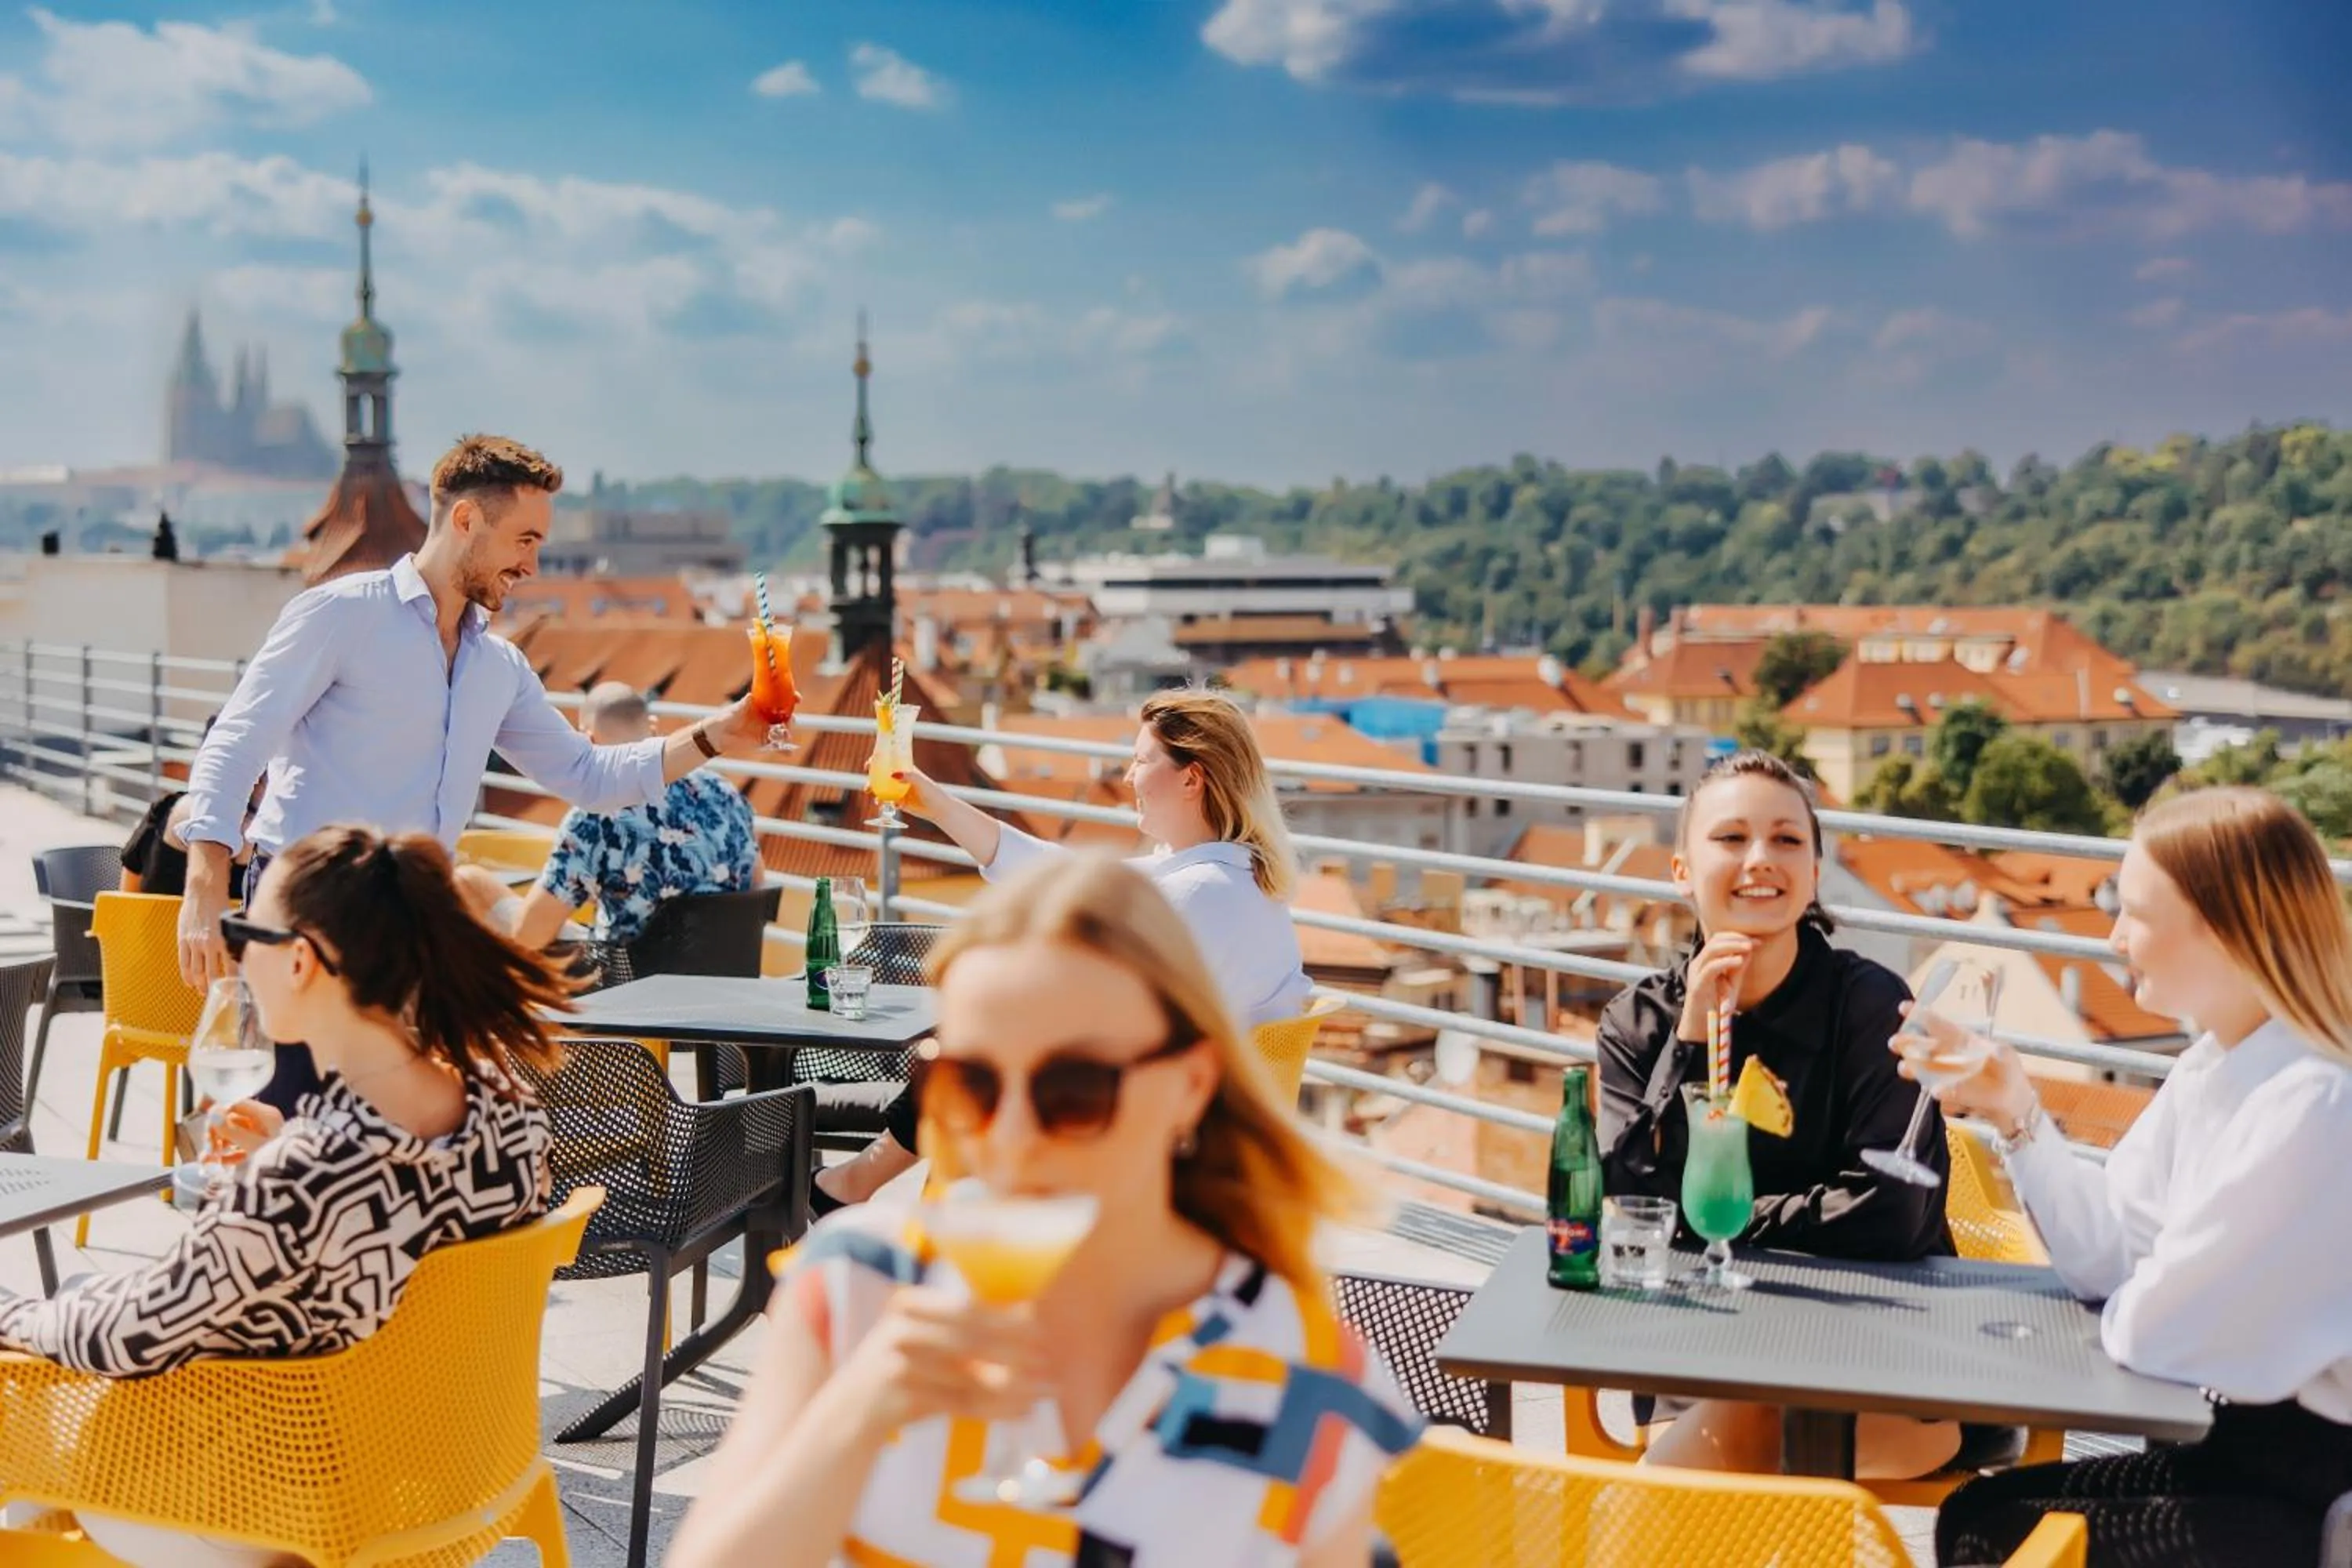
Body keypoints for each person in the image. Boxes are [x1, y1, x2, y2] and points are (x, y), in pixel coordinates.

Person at [667, 853, 1420, 1568]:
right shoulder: (861, 1285)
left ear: (1191, 1086)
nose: (1012, 1138)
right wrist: (856, 1413)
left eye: (1075, 1090)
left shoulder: (1308, 1385)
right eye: (973, 1084)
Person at [0, 825, 565, 1568]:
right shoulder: (507, 1109)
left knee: (32, 1385)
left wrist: (10, 1313)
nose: (233, 954)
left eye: (243, 932)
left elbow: (130, 1336)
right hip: (448, 1481)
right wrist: (287, 1144)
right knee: (72, 1310)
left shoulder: (306, 1176)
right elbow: (385, 1207)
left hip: (286, 1503)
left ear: (300, 960)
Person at [171, 434, 780, 1110]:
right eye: (524, 540)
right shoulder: (341, 614)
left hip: (416, 925)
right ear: (465, 519)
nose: (533, 565)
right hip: (307, 918)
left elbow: (588, 775)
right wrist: (205, 881)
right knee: (280, 1119)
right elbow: (237, 738)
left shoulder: (498, 667)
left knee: (396, 1130)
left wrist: (720, 734)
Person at [1913, 787, 2352, 1568]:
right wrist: (2016, 1111)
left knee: (1994, 1534)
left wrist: (2149, 1285)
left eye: (2136, 913)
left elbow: (2154, 1329)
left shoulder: (2314, 1099)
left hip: (2316, 1484)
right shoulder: (2215, 1065)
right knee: (1977, 1510)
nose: (2114, 937)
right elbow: (2108, 1255)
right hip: (2234, 1449)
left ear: (2227, 926)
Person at [1597, 749, 1960, 1479]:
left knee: (1747, 1437)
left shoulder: (1871, 1008)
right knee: (1734, 1439)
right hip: (1701, 1354)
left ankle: (1617, 1532)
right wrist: (1689, 1041)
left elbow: (1890, 1212)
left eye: (1787, 839)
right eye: (1731, 838)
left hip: (1882, 1353)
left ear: (1814, 873)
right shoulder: (1638, 1024)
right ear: (1681, 870)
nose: (1760, 858)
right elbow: (1628, 1211)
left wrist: (1725, 1222)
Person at [812, 687, 1312, 1213]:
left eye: (1142, 761)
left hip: (1168, 1138)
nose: (1128, 777)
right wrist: (933, 803)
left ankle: (868, 1192)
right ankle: (860, 1187)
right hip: (1199, 1118)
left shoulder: (1200, 892)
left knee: (983, 1052)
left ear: (1192, 779)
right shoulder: (1226, 876)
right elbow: (1055, 873)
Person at [452, 681, 761, 950]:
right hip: (725, 976)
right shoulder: (723, 790)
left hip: (630, 985)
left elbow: (530, 935)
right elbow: (755, 882)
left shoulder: (593, 818)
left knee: (469, 881)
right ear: (652, 727)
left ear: (588, 739)